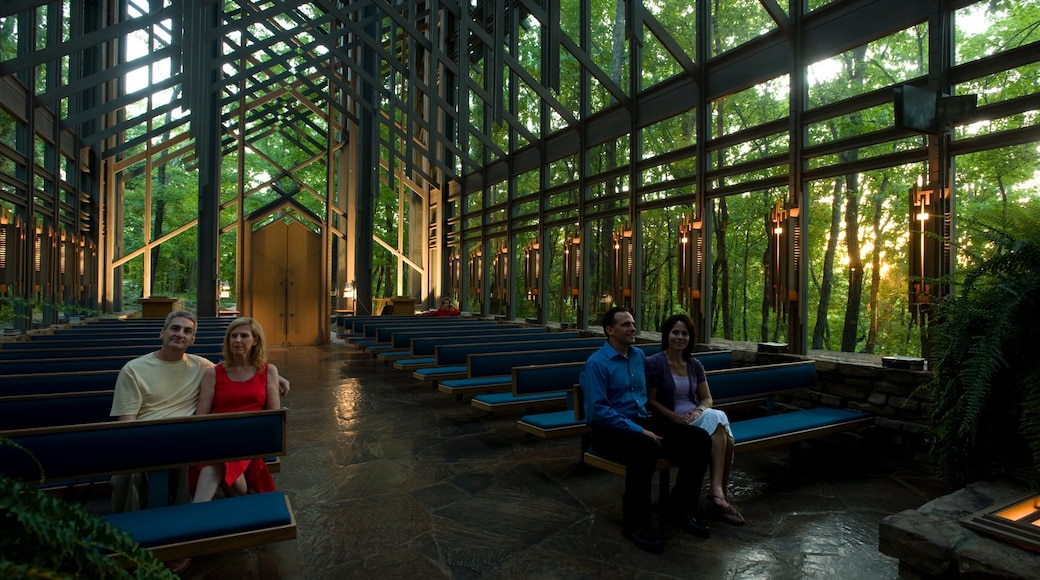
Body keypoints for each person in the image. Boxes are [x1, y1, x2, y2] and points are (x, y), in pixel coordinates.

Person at [580, 306, 712, 554]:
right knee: (645, 447)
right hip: (607, 431)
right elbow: (598, 411)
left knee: (699, 440)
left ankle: (680, 509)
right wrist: (638, 430)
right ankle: (635, 525)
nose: (633, 328)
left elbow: (657, 384)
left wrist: (679, 413)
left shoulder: (639, 356)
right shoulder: (597, 363)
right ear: (610, 330)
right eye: (626, 325)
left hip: (641, 422)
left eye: (633, 323)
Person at [645, 314, 745, 526]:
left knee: (717, 421)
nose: (679, 337)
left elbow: (707, 398)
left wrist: (698, 411)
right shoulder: (655, 363)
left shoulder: (694, 364)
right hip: (671, 422)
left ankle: (716, 492)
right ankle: (718, 493)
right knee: (724, 434)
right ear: (667, 335)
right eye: (675, 332)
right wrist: (675, 417)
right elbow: (651, 401)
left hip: (697, 417)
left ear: (690, 337)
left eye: (684, 333)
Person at [192, 317, 281, 502]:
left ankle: (195, 514)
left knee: (217, 463)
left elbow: (274, 417)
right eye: (233, 336)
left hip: (252, 436)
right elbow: (202, 416)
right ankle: (242, 495)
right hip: (218, 434)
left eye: (244, 336)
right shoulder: (213, 373)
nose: (237, 340)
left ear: (255, 340)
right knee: (219, 462)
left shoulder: (268, 371)